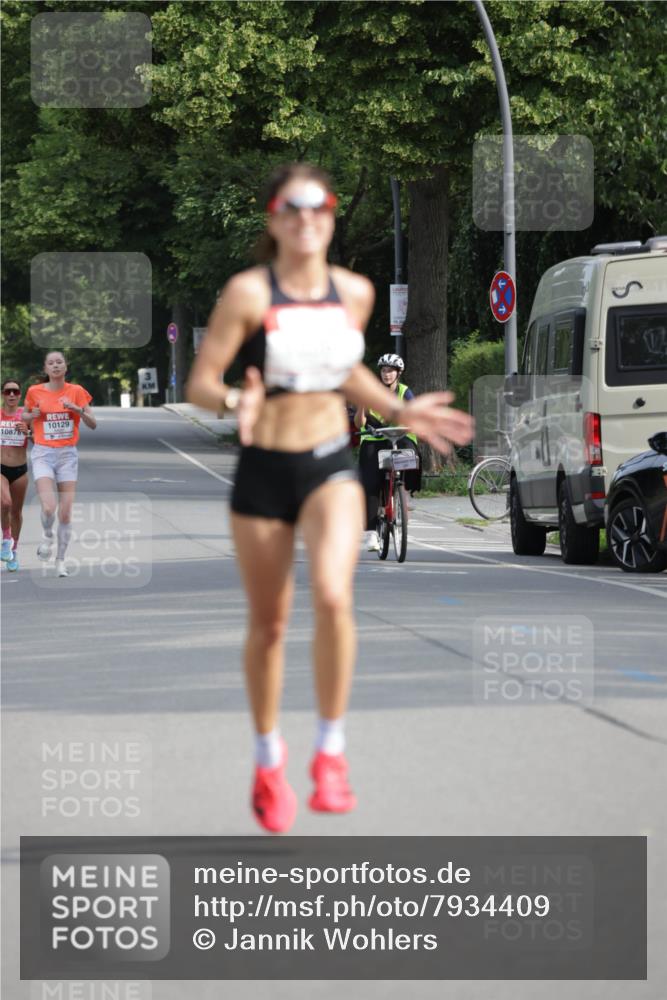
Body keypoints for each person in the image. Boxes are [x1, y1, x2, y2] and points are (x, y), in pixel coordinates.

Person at [186, 163, 473, 835]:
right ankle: (266, 758)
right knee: (271, 625)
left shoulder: (354, 292)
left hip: (326, 464)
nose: (307, 217)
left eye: (320, 206)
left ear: (331, 216)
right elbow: (203, 382)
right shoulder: (247, 294)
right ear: (273, 218)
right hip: (262, 470)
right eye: (293, 206)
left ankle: (331, 754)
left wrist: (403, 412)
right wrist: (235, 399)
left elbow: (343, 371)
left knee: (336, 597)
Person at [24, 351, 96, 578]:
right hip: (43, 452)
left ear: (66, 367)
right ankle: (47, 535)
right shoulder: (34, 392)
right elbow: (24, 418)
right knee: (48, 506)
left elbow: (93, 424)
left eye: (59, 362)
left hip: (67, 454)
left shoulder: (76, 391)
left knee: (65, 513)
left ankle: (61, 561)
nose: (55, 366)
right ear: (45, 369)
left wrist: (76, 409)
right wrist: (31, 415)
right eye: (51, 363)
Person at [355, 353, 420, 551]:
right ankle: (371, 533)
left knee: (412, 454)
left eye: (391, 371)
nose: (387, 374)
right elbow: (359, 423)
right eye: (384, 370)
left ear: (398, 373)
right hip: (374, 438)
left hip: (399, 437)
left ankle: (402, 488)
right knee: (370, 482)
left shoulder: (404, 392)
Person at [1, 378, 30, 572]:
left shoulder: (26, 416)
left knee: (17, 513)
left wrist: (27, 432)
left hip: (20, 470)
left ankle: (15, 550)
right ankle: (5, 539)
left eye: (15, 391)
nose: (12, 394)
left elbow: (40, 439)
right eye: (8, 391)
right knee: (5, 504)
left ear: (20, 395)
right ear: (3, 394)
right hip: (1, 467)